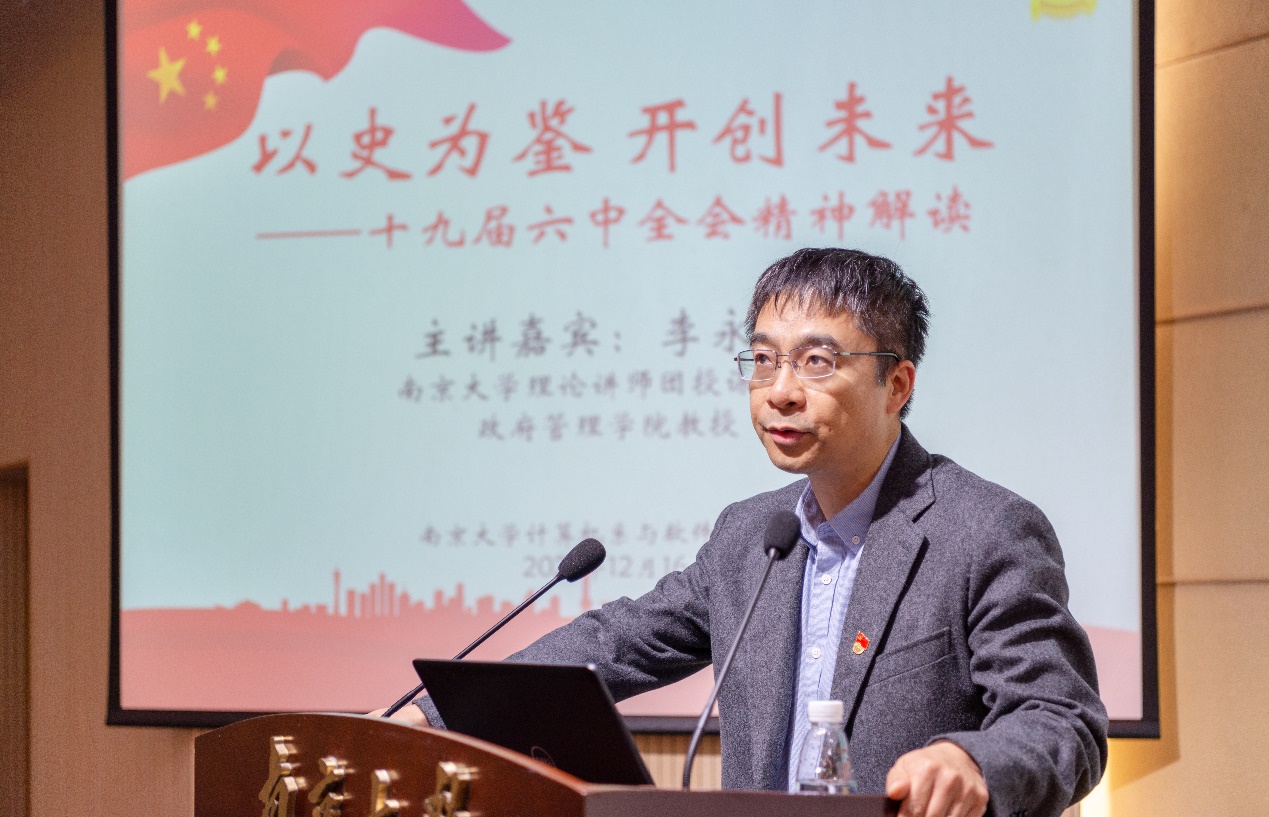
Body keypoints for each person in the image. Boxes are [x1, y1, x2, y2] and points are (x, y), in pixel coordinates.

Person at [378, 248, 1108, 817]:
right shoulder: (751, 535)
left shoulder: (982, 530)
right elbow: (618, 641)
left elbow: (1062, 721)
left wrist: (972, 761)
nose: (779, 391)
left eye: (817, 362)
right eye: (763, 360)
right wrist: (434, 715)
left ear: (897, 384)